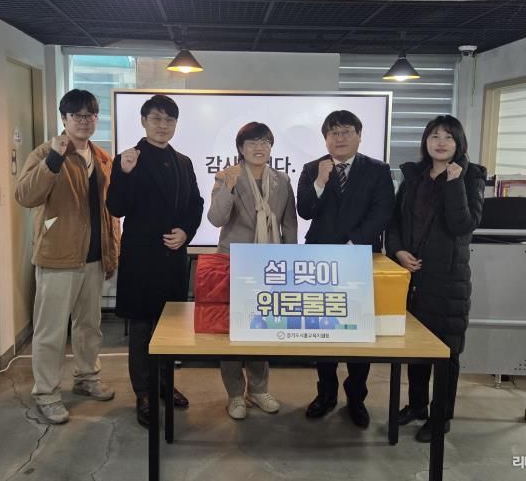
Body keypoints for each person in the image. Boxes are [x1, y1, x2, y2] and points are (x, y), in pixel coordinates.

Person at [15, 89, 119, 425]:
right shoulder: (46, 153)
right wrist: (53, 161)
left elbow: (108, 213)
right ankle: (46, 393)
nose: (84, 121)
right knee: (51, 330)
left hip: (94, 257)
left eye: (90, 115)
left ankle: (87, 377)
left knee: (89, 326)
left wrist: (111, 253)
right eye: (77, 115)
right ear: (64, 118)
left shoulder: (102, 157)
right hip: (58, 256)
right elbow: (25, 195)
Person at [385, 115, 485, 443]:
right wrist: (398, 251)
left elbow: (463, 226)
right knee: (415, 348)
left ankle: (441, 416)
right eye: (434, 136)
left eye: (448, 137)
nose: (440, 143)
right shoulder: (414, 177)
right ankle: (417, 406)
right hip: (413, 277)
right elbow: (395, 221)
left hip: (448, 279)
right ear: (425, 142)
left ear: (459, 143)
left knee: (446, 351)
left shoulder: (471, 177)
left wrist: (454, 184)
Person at [106, 94, 204, 428]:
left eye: (169, 120)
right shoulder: (129, 158)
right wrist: (124, 173)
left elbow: (195, 203)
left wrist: (186, 233)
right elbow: (116, 207)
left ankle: (165, 384)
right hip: (141, 259)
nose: (163, 126)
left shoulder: (183, 161)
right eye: (156, 119)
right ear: (144, 121)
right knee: (142, 328)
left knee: (171, 327)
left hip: (173, 259)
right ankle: (144, 394)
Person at [297, 109, 394, 428]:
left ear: (359, 135)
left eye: (346, 132)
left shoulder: (377, 170)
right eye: (333, 133)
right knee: (322, 330)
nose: (339, 138)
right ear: (325, 138)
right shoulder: (313, 168)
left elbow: (383, 212)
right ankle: (326, 394)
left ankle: (356, 398)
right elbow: (304, 211)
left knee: (359, 330)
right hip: (319, 259)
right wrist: (320, 182)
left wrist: (353, 244)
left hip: (359, 258)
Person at [207, 122, 298, 420]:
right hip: (234, 262)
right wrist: (229, 187)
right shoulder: (226, 175)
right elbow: (216, 218)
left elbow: (289, 223)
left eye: (264, 142)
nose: (259, 148)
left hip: (268, 264)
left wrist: (289, 260)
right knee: (232, 330)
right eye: (252, 143)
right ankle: (235, 394)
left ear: (271, 147)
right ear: (240, 148)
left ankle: (258, 389)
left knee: (262, 328)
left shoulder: (282, 180)